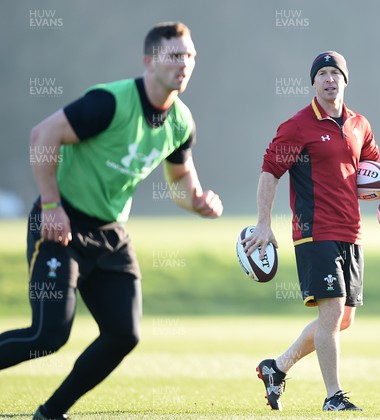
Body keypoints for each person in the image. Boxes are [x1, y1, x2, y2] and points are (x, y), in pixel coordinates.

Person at [0, 22, 223, 419]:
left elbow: (181, 181)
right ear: (149, 61)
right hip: (62, 225)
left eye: (190, 56)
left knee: (124, 334)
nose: (184, 64)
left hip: (111, 236)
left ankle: (51, 412)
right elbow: (42, 136)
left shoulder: (180, 123)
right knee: (48, 335)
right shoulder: (110, 102)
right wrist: (51, 205)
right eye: (174, 55)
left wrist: (199, 203)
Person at [243, 51, 380, 411]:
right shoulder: (298, 125)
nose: (329, 79)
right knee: (332, 310)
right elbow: (269, 171)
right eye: (322, 73)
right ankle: (333, 397)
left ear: (344, 80)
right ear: (313, 82)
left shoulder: (359, 124)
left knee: (344, 319)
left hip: (351, 232)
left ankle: (276, 368)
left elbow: (377, 161)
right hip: (314, 231)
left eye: (334, 73)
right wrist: (264, 222)